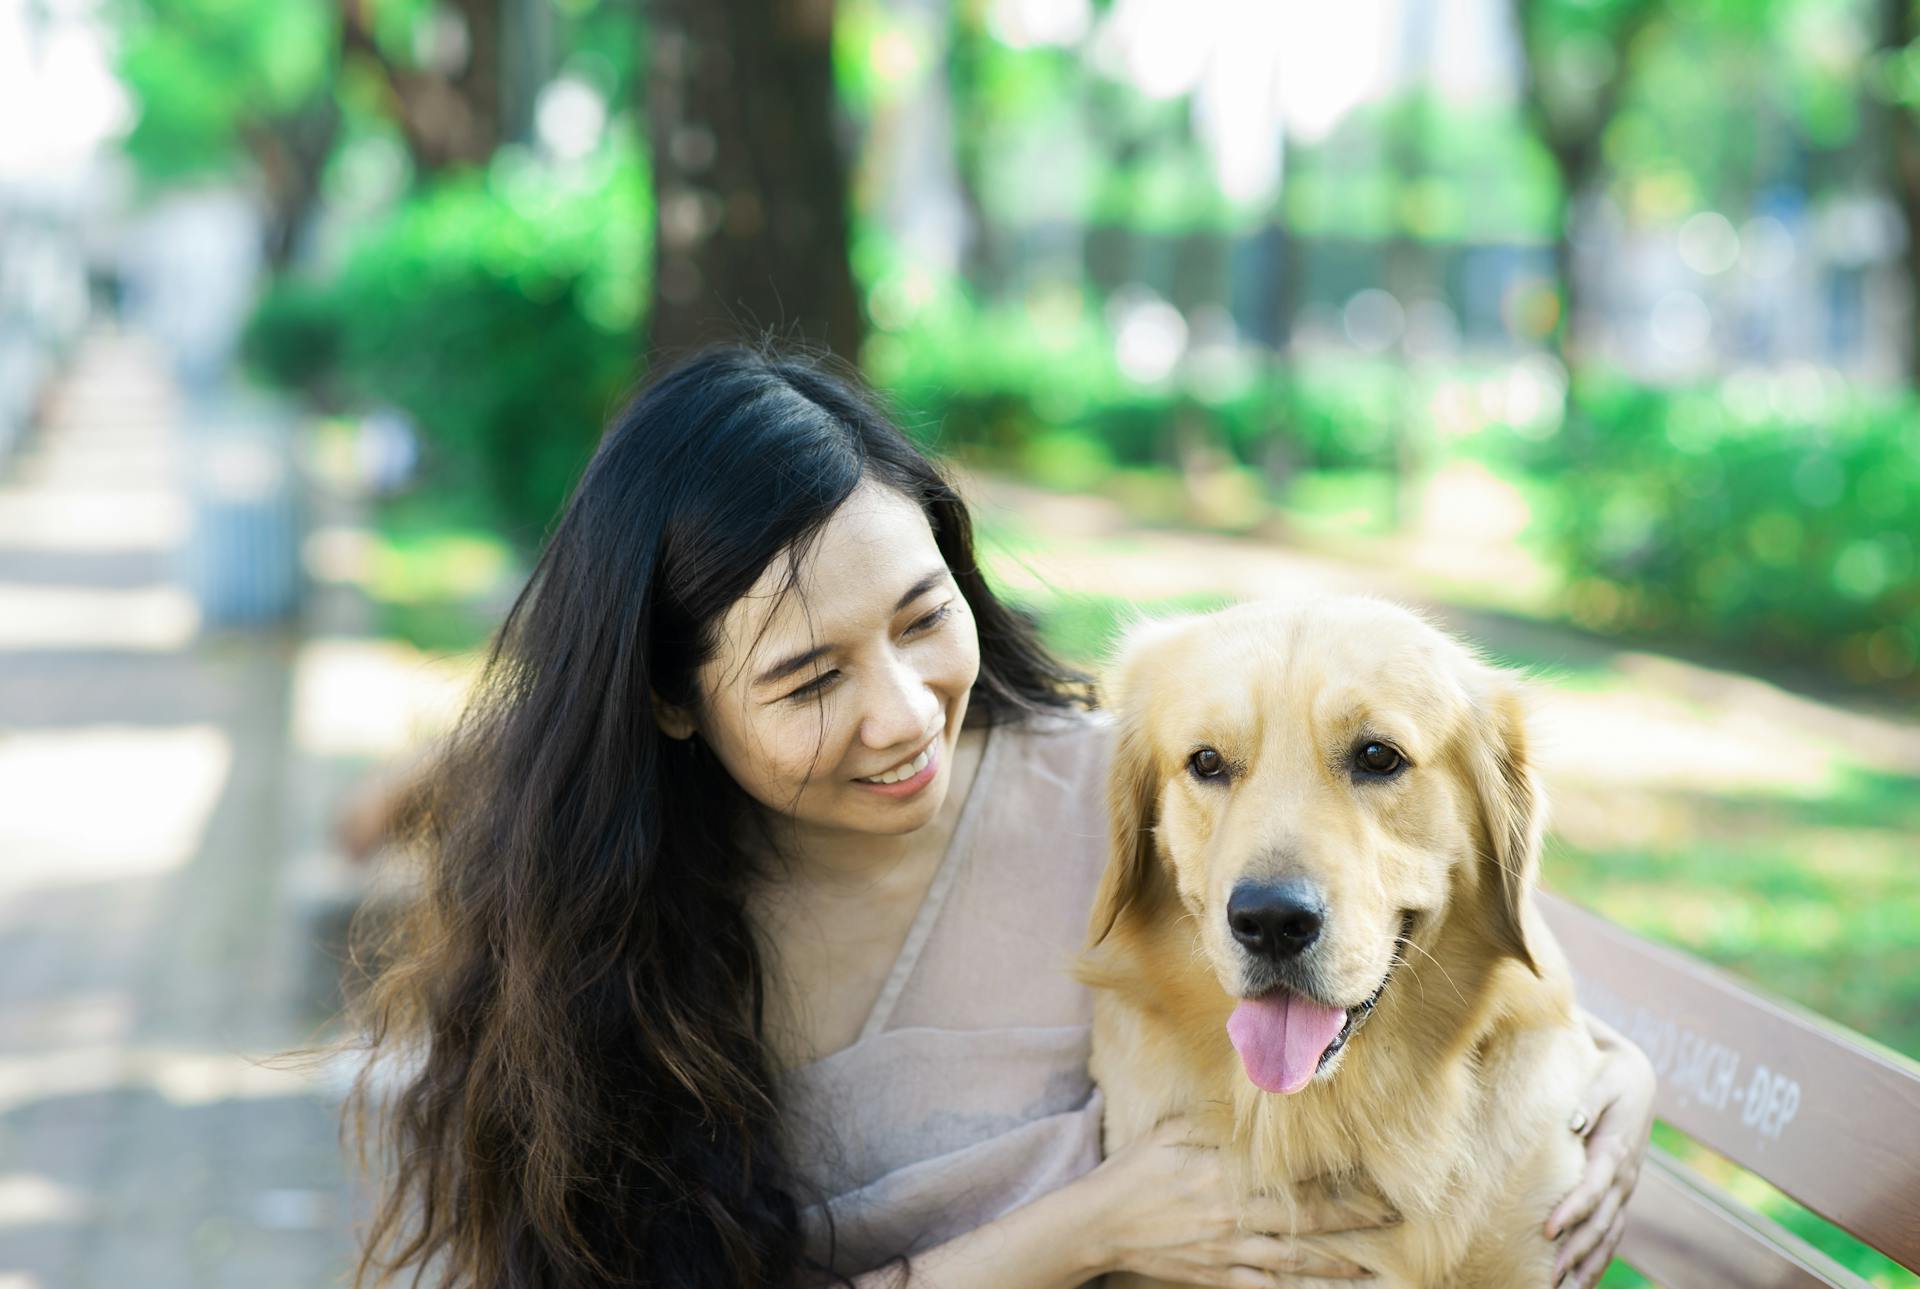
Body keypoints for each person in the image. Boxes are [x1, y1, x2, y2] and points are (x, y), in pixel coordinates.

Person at [343, 347, 1655, 1289]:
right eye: (810, 678)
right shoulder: (608, 952)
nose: (906, 710)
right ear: (671, 701)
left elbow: (1427, 958)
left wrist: (1619, 1076)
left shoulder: (1133, 795)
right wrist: (1085, 1229)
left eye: (924, 617)